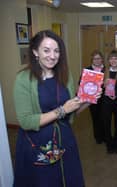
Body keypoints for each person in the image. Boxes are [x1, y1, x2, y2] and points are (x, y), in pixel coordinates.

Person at [13, 30, 95, 187]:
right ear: (35, 51)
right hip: (38, 143)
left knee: (68, 179)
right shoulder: (23, 79)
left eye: (56, 51)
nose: (52, 56)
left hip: (65, 139)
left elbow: (71, 113)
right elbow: (26, 121)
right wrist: (62, 110)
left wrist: (88, 101)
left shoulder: (65, 75)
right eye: (46, 50)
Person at [102, 50, 117, 154]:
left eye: (116, 58)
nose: (113, 60)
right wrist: (103, 84)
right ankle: (109, 144)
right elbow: (98, 87)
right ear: (108, 60)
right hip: (107, 101)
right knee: (107, 122)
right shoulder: (104, 71)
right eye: (111, 58)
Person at [84, 50, 105, 144]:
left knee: (104, 117)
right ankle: (98, 137)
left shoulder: (106, 69)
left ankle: (105, 135)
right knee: (95, 118)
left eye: (99, 58)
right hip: (92, 99)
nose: (97, 60)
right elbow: (82, 83)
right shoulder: (88, 70)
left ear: (102, 59)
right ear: (92, 59)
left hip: (105, 97)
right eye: (95, 58)